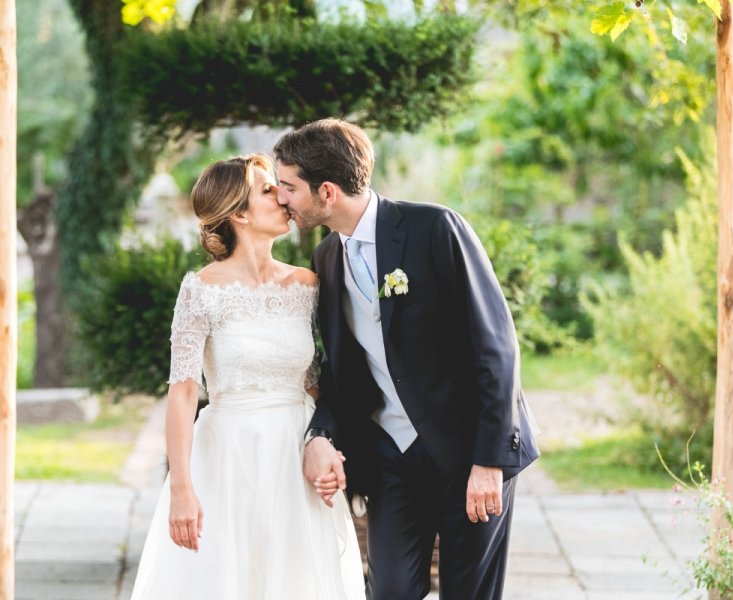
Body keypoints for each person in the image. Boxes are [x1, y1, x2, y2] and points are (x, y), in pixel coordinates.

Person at [274, 119, 540, 600]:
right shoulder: (327, 260)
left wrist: (489, 462)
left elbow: (495, 346)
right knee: (391, 591)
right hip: (390, 458)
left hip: (468, 452)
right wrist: (321, 435)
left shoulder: (435, 228)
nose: (281, 198)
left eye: (289, 187)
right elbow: (341, 370)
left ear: (327, 191)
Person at [129, 154, 365, 600]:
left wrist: (328, 444)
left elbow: (317, 381)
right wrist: (181, 488)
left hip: (295, 458)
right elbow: (182, 393)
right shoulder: (200, 290)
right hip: (228, 457)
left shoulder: (307, 284)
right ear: (239, 213)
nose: (282, 196)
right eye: (267, 190)